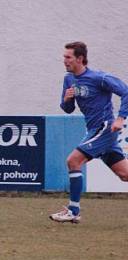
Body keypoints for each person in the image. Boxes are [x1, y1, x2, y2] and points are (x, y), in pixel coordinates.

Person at [49, 41, 128, 223]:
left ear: (80, 58)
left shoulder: (99, 78)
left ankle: (73, 211)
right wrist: (67, 100)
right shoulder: (69, 79)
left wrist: (120, 118)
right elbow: (68, 109)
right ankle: (73, 211)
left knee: (73, 160)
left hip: (105, 128)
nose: (64, 61)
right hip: (93, 129)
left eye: (68, 57)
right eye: (64, 57)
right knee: (124, 175)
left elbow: (125, 92)